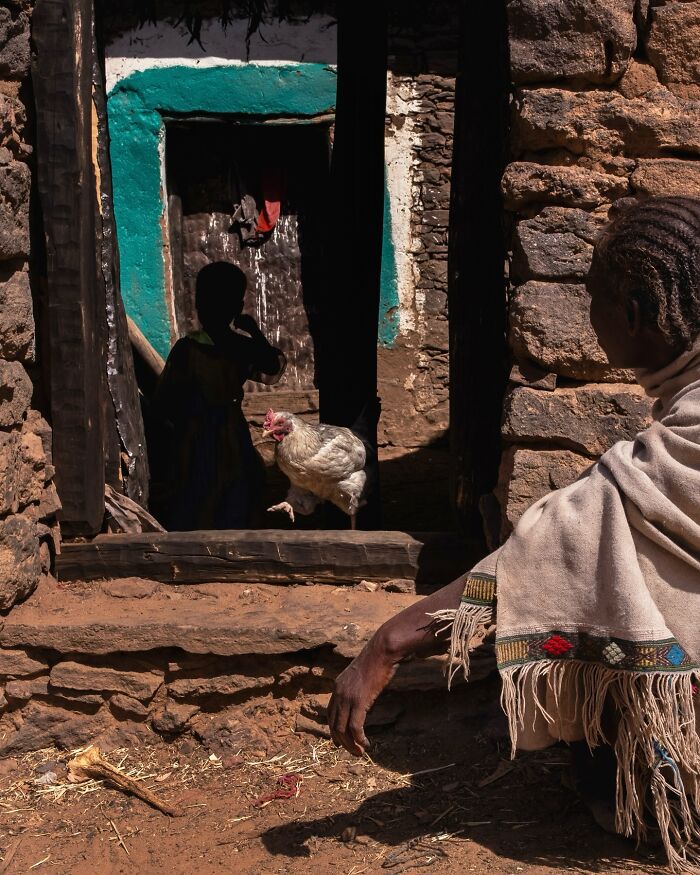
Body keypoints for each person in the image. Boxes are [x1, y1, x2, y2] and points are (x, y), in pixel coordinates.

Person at [329, 197, 700, 871]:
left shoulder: (673, 453)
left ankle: (662, 797)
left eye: (593, 295)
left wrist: (390, 642)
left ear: (635, 315)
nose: (587, 312)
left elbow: (536, 559)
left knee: (597, 598)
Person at [152, 262, 285, 530]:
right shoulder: (239, 347)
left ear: (200, 304)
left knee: (197, 490)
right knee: (236, 489)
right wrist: (254, 331)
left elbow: (164, 400)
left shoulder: (187, 349)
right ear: (237, 307)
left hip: (193, 434)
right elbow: (272, 366)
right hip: (230, 433)